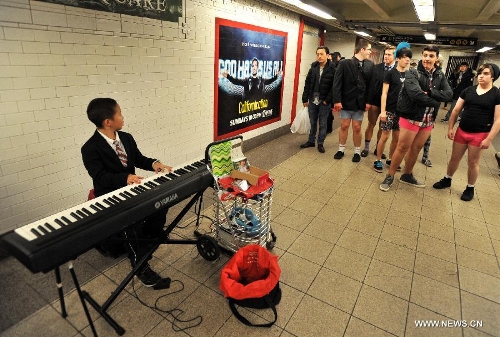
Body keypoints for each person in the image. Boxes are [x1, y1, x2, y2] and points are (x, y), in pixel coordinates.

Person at [81, 98, 173, 288]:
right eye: (120, 113)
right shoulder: (90, 148)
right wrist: (124, 178)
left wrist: (155, 164)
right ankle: (140, 266)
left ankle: (146, 242)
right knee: (130, 222)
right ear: (108, 121)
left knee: (160, 204)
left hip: (132, 188)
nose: (123, 117)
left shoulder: (126, 138)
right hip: (111, 195)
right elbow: (100, 178)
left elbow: (138, 158)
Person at [379, 45, 453, 191]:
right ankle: (390, 175)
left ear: (436, 58)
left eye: (431, 56)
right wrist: (436, 100)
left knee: (416, 148)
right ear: (421, 56)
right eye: (425, 55)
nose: (427, 58)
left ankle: (407, 174)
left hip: (428, 118)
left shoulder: (440, 75)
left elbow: (449, 94)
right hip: (412, 116)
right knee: (402, 147)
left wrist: (430, 93)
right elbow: (416, 95)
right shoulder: (412, 73)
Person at [433, 64, 500, 201]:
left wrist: (489, 139)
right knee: (454, 158)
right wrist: (450, 128)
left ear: (493, 76)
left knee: (473, 162)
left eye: (486, 73)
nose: (481, 75)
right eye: (480, 72)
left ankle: (470, 188)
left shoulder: (496, 94)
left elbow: (498, 119)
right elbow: (456, 110)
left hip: (480, 134)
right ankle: (447, 179)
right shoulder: (468, 90)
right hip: (462, 130)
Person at [332, 39, 374, 162]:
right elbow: (337, 83)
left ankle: (357, 151)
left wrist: (368, 102)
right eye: (369, 49)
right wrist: (337, 100)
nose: (370, 52)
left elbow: (371, 85)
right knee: (344, 126)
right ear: (362, 49)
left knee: (357, 127)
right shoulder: (345, 63)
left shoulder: (370, 65)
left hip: (360, 102)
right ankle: (341, 149)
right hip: (345, 101)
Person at [374, 45, 413, 173]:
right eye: (405, 57)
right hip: (390, 110)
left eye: (409, 58)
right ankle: (378, 160)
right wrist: (383, 112)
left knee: (396, 138)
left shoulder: (410, 75)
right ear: (398, 59)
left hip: (402, 113)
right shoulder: (390, 74)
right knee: (384, 136)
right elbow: (384, 93)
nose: (407, 60)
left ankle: (391, 159)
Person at [362, 45, 397, 158]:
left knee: (383, 128)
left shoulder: (397, 70)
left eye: (389, 54)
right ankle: (366, 148)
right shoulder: (376, 68)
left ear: (395, 56)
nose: (386, 57)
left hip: (388, 105)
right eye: (385, 54)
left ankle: (378, 148)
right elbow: (370, 86)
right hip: (374, 102)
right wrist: (368, 101)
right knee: (371, 124)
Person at [300, 46, 336, 153]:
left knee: (323, 123)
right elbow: (308, 83)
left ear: (327, 55)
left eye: (321, 54)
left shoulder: (333, 68)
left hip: (324, 100)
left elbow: (334, 86)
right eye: (318, 54)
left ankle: (320, 143)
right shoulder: (314, 67)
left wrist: (327, 100)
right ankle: (311, 141)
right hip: (313, 98)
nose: (319, 56)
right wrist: (305, 98)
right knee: (312, 122)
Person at [326, 52, 342, 133]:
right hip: (329, 94)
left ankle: (328, 128)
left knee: (328, 112)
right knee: (328, 112)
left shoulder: (335, 68)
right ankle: (328, 127)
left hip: (331, 94)